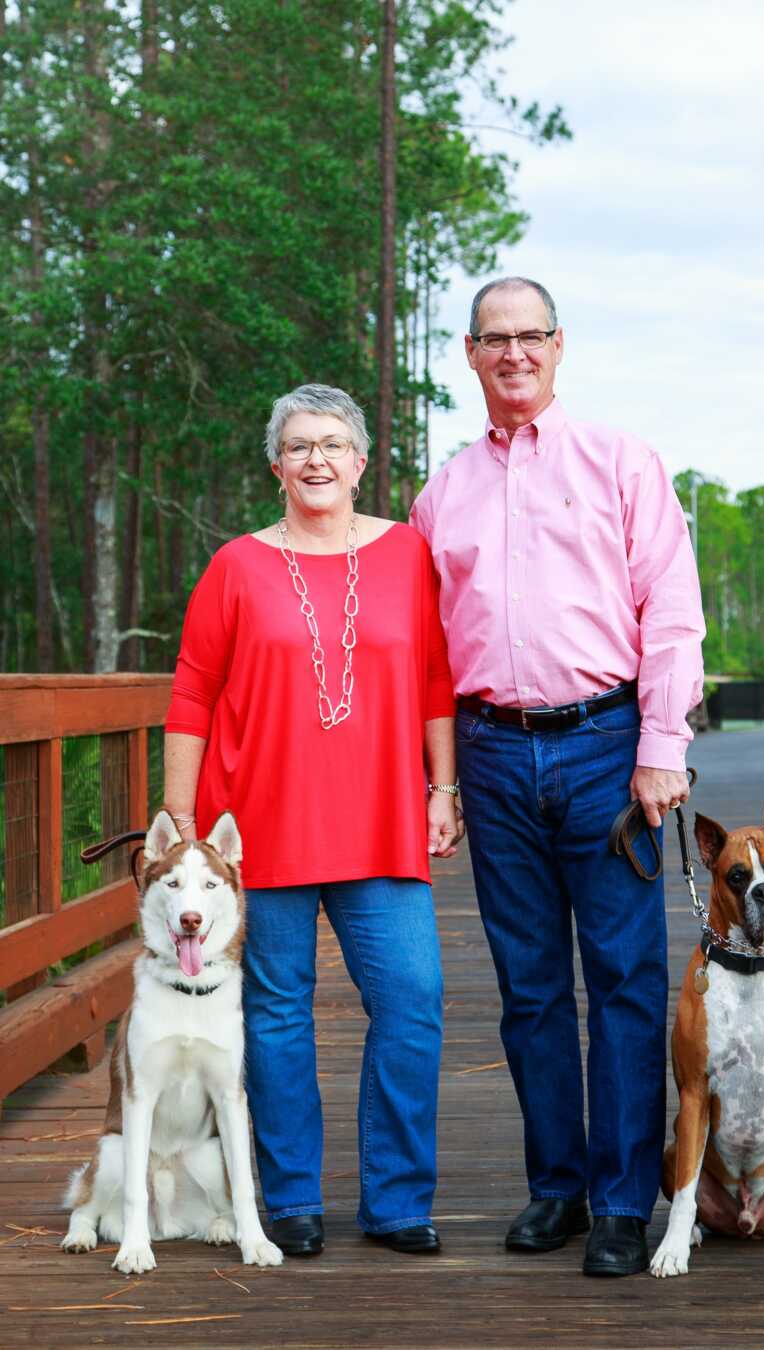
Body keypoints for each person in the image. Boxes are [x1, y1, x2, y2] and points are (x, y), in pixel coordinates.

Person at [410, 278, 705, 1278]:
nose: (514, 354)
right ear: (470, 353)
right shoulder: (439, 495)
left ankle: (625, 1200)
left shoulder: (620, 462)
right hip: (491, 753)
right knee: (530, 988)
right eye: (495, 340)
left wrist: (662, 744)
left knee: (626, 980)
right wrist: (438, 779)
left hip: (604, 749)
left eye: (530, 336)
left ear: (559, 344)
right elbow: (422, 655)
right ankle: (557, 1189)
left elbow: (669, 606)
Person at [164, 383, 463, 1258]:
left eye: (334, 444)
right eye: (299, 445)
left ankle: (399, 1200)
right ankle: (288, 1197)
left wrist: (443, 788)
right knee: (276, 1012)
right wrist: (183, 815)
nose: (318, 459)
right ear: (276, 465)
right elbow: (192, 688)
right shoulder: (237, 566)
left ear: (363, 462)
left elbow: (438, 679)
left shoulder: (408, 554)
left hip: (381, 821)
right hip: (257, 824)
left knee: (413, 1001)